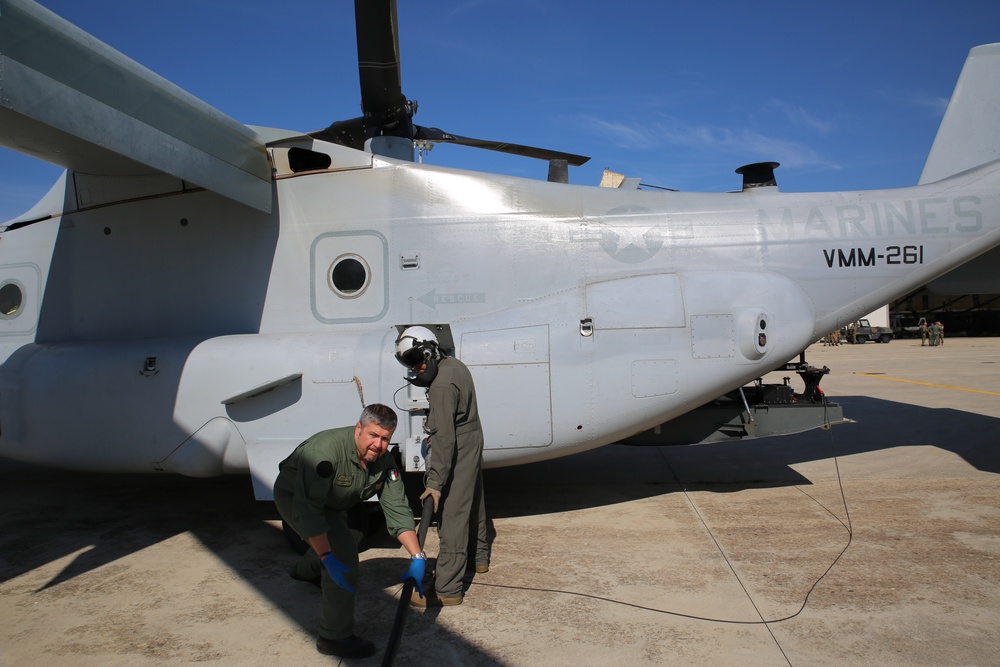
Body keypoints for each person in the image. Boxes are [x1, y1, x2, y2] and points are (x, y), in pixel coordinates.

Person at [273, 404, 426, 659]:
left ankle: (304, 572)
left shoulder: (384, 460)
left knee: (333, 547)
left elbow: (397, 507)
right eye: (373, 435)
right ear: (358, 429)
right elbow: (310, 511)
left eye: (385, 439)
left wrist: (417, 556)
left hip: (333, 502)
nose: (378, 445)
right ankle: (333, 637)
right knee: (341, 554)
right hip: (297, 497)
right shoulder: (324, 453)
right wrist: (328, 557)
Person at [395, 326, 489, 607]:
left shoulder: (441, 388)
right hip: (472, 438)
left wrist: (435, 484)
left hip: (459, 445)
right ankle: (478, 559)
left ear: (428, 350)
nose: (416, 367)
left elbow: (444, 439)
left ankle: (447, 588)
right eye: (410, 363)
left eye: (417, 359)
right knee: (474, 502)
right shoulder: (454, 365)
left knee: (453, 515)